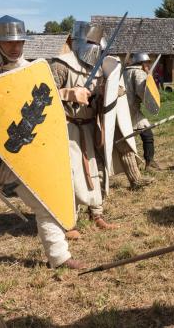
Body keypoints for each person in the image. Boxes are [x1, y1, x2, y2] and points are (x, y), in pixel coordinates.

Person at [0, 15, 84, 270]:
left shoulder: (30, 71)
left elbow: (46, 99)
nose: (16, 47)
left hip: (24, 154)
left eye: (19, 42)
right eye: (9, 42)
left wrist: (67, 93)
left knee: (47, 201)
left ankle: (59, 256)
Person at [49, 21, 117, 231]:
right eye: (89, 42)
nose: (93, 47)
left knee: (94, 168)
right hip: (67, 127)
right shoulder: (61, 64)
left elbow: (115, 93)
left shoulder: (102, 66)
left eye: (96, 43)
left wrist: (109, 92)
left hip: (90, 125)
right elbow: (42, 94)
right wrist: (68, 93)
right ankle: (69, 221)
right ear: (78, 42)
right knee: (70, 172)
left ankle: (96, 213)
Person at [124, 53, 162, 171]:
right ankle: (147, 162)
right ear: (142, 63)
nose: (149, 65)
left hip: (122, 108)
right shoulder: (138, 73)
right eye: (147, 63)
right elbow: (143, 92)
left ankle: (147, 161)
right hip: (131, 109)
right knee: (146, 135)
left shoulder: (124, 72)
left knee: (140, 133)